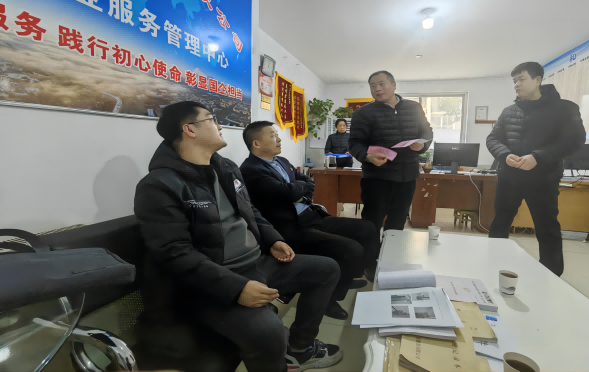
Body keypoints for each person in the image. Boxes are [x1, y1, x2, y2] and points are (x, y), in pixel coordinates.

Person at [134, 102, 343, 372]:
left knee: (327, 269)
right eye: (211, 119)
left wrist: (273, 239)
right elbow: (174, 252)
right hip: (211, 280)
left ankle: (300, 349)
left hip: (257, 263)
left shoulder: (227, 168)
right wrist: (236, 288)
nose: (219, 125)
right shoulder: (159, 185)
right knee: (269, 332)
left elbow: (250, 211)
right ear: (189, 130)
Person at [239, 121, 380, 319]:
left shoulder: (281, 161)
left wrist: (300, 191)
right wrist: (298, 190)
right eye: (272, 135)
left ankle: (346, 277)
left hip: (311, 215)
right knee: (351, 249)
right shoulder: (250, 169)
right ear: (257, 143)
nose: (279, 139)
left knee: (367, 228)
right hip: (292, 226)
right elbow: (289, 193)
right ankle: (331, 300)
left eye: (277, 135)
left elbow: (308, 180)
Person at [487, 62, 586, 276]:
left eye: (522, 79)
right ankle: (494, 266)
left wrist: (538, 157)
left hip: (543, 179)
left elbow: (574, 141)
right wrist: (505, 155)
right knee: (500, 223)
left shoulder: (565, 108)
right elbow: (493, 139)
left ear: (538, 80)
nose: (517, 84)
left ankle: (551, 275)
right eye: (514, 81)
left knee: (547, 227)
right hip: (510, 178)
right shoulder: (509, 111)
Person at [348, 71, 433, 279]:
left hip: (407, 174)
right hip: (377, 175)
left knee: (398, 220)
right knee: (372, 221)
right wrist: (367, 156)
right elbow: (355, 143)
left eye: (382, 84)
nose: (377, 89)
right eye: (373, 85)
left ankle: (390, 260)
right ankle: (370, 263)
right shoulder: (363, 113)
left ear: (394, 85)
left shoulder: (414, 107)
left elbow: (427, 132)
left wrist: (422, 145)